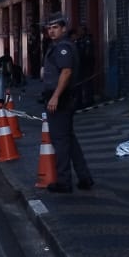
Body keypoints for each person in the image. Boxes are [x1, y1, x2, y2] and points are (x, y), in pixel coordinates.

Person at [39, 11, 95, 194]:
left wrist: (55, 96)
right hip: (62, 97)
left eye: (55, 28)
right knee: (69, 139)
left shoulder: (63, 47)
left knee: (60, 141)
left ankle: (64, 181)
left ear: (63, 29)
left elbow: (66, 72)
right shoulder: (57, 46)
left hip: (61, 99)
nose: (52, 32)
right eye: (49, 29)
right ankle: (84, 177)